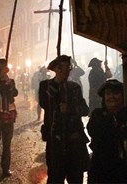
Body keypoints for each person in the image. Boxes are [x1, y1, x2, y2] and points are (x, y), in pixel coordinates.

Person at [39, 55, 89, 184]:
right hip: (55, 141)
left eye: (68, 68)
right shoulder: (46, 86)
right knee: (55, 177)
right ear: (56, 69)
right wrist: (57, 90)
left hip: (74, 140)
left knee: (76, 178)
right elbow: (45, 104)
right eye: (62, 68)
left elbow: (84, 109)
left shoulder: (75, 87)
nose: (65, 71)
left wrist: (70, 109)